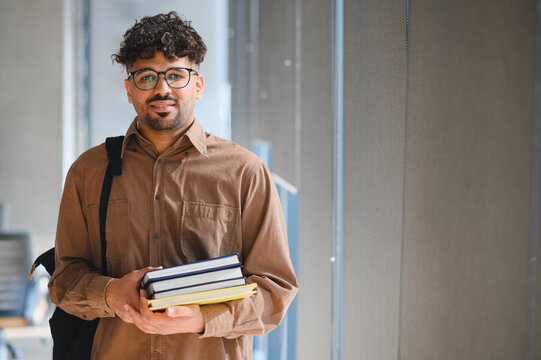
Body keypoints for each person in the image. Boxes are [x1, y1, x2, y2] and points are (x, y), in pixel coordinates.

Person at [48, 11, 298, 359]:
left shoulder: (246, 172)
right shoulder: (89, 171)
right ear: (129, 89)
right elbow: (64, 280)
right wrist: (110, 293)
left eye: (176, 75)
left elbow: (275, 290)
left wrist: (202, 318)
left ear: (198, 85)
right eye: (147, 77)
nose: (162, 88)